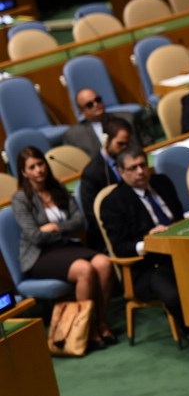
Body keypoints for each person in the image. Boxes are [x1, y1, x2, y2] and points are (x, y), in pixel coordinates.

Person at [11, 146, 116, 350]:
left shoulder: (57, 188)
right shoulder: (20, 199)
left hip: (67, 248)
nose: (38, 170)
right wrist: (64, 231)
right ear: (24, 172)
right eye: (32, 167)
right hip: (40, 256)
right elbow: (35, 237)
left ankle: (100, 322)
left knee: (104, 263)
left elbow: (80, 223)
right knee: (85, 270)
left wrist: (55, 227)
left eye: (40, 164)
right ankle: (86, 331)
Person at [99, 146, 189, 340]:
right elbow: (121, 248)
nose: (140, 171)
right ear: (121, 172)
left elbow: (178, 218)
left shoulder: (162, 182)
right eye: (133, 168)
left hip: (182, 251)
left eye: (143, 165)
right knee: (176, 295)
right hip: (148, 266)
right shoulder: (113, 202)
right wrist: (148, 241)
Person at [79, 116, 133, 252]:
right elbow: (93, 217)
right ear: (106, 140)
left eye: (127, 144)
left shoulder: (131, 162)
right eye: (120, 144)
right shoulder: (92, 173)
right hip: (112, 235)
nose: (125, 149)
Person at [63, 88, 134, 158]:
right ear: (82, 112)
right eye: (90, 105)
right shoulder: (73, 135)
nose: (96, 104)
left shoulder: (127, 118)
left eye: (98, 100)